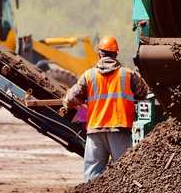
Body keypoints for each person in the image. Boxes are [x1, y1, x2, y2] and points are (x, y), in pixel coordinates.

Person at [63, 35, 148, 183]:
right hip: (119, 129)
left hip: (96, 131)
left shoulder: (88, 76)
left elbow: (70, 100)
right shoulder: (128, 75)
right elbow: (143, 94)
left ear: (99, 54)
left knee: (92, 175)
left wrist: (80, 100)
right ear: (116, 54)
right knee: (125, 174)